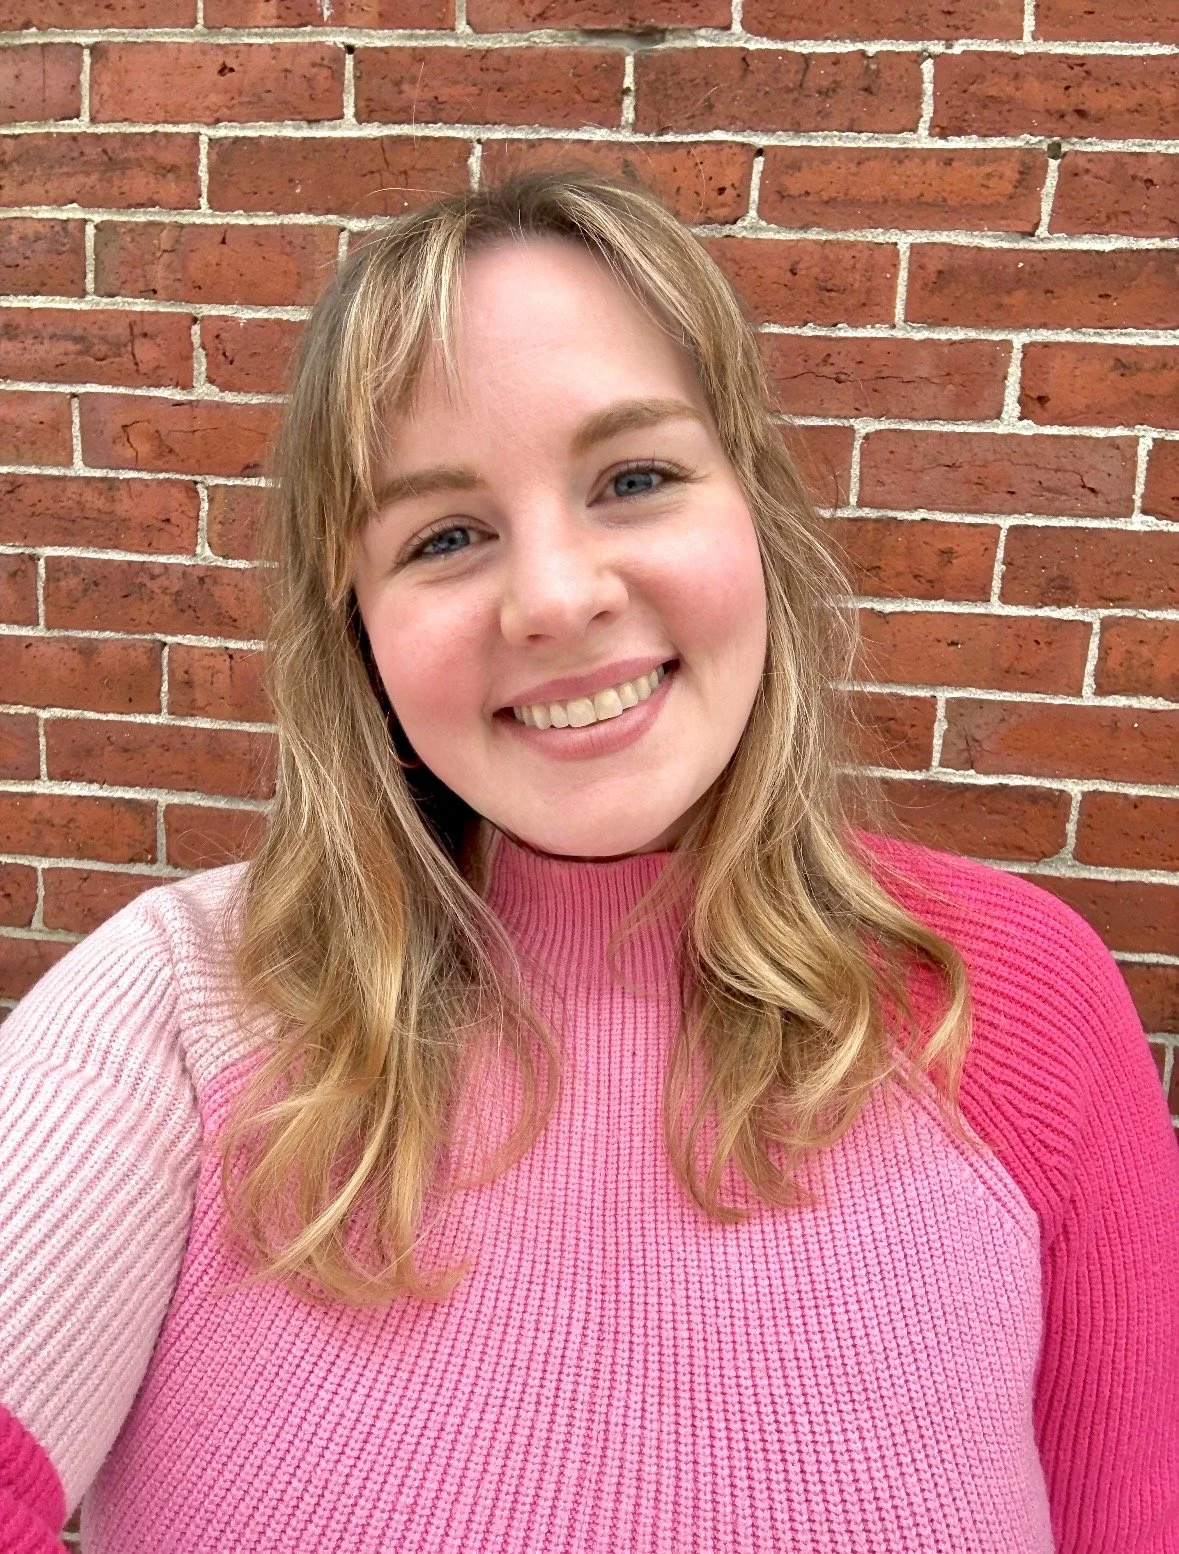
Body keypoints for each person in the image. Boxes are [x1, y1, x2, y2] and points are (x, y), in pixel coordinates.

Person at [1, 171, 1175, 1554]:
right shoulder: (169, 1022)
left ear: (752, 512)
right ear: (358, 623)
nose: (557, 595)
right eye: (443, 535)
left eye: (634, 478)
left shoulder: (1015, 999)